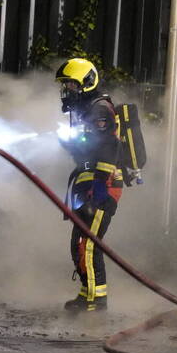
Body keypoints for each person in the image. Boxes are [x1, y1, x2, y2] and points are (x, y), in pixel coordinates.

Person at [55, 58, 127, 313]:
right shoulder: (86, 110)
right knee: (79, 242)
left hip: (103, 186)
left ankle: (96, 303)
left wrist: (99, 187)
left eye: (72, 85)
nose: (68, 91)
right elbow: (88, 148)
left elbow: (109, 147)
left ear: (86, 82)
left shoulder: (99, 109)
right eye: (66, 86)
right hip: (89, 184)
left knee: (88, 243)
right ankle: (88, 293)